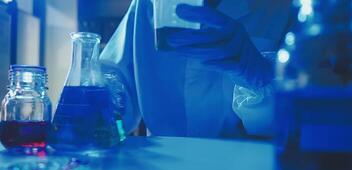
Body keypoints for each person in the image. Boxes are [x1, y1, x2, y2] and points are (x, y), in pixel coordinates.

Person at [100, 0, 292, 137]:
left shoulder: (285, 8)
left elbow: (300, 130)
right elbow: (117, 78)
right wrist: (104, 103)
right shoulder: (147, 5)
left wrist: (260, 76)